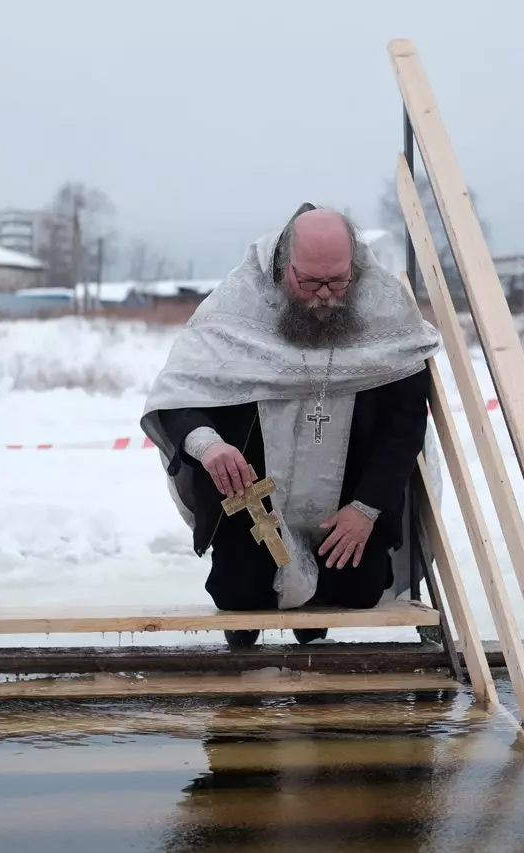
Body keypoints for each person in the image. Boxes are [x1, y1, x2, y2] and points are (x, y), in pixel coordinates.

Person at [140, 204, 441, 647]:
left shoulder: (384, 311)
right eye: (310, 282)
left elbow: (405, 420)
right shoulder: (236, 304)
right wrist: (208, 446)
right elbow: (179, 395)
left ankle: (315, 668)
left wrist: (367, 508)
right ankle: (241, 683)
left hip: (348, 502)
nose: (325, 295)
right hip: (255, 503)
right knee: (239, 596)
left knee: (357, 594)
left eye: (338, 281)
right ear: (284, 268)